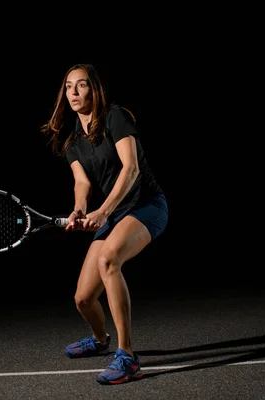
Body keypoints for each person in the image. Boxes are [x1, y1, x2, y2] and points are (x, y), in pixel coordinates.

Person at [40, 63, 168, 385]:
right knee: (83, 299)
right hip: (113, 213)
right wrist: (80, 209)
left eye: (81, 85)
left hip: (146, 206)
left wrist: (103, 211)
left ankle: (127, 357)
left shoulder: (115, 117)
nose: (73, 92)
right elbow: (81, 183)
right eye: (68, 86)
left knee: (108, 259)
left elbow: (132, 168)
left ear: (93, 89)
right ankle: (100, 340)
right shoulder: (71, 141)